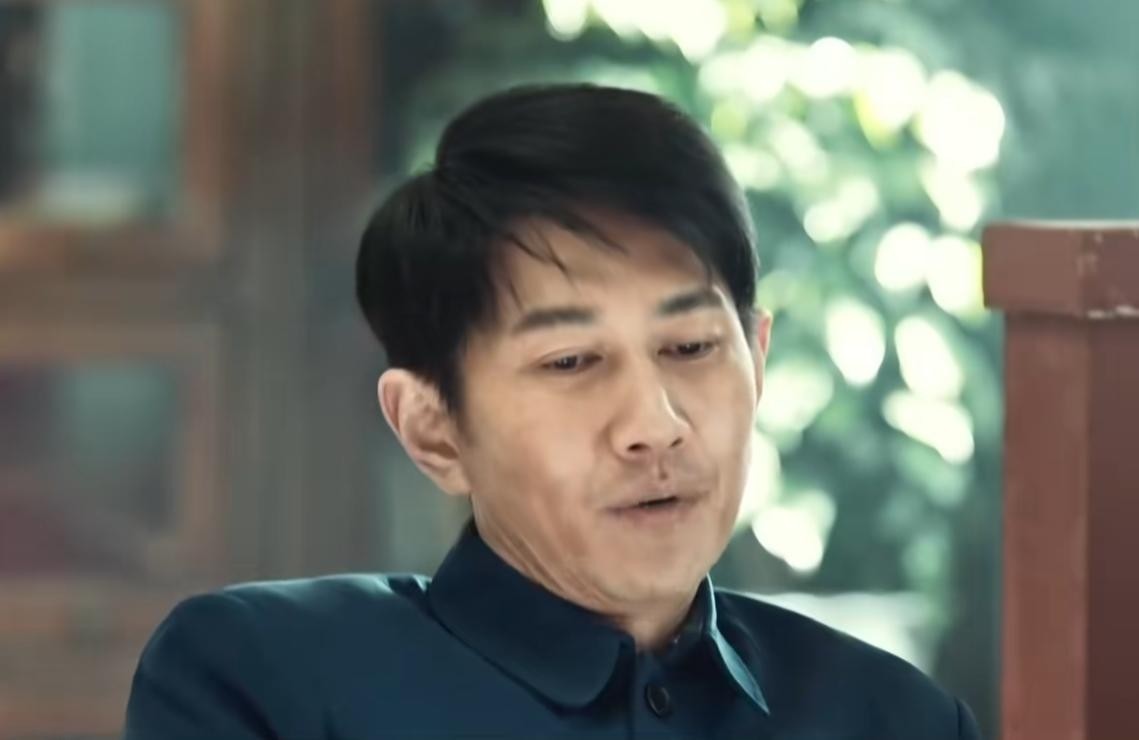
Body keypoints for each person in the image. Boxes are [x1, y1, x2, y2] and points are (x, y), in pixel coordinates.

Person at [124, 83, 982, 739]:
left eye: (690, 347)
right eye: (570, 361)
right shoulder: (267, 680)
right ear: (431, 427)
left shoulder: (894, 719)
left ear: (756, 359)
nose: (655, 424)